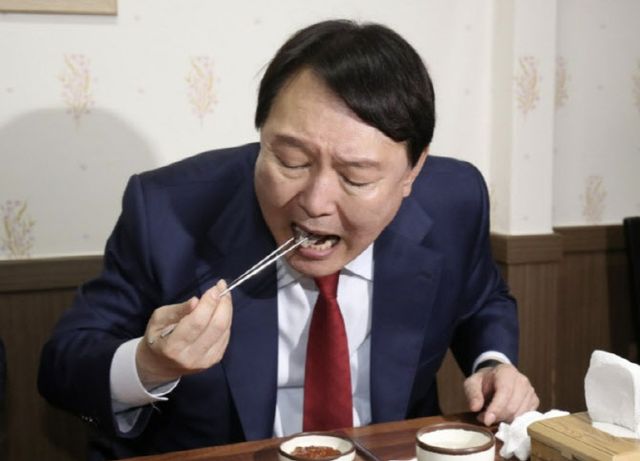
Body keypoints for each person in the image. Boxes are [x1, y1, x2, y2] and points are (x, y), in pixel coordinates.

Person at [38, 19, 539, 459]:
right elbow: (63, 365)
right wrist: (150, 363)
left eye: (356, 177)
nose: (315, 202)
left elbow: (481, 299)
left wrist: (492, 362)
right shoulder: (168, 208)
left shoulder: (454, 200)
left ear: (412, 172)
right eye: (291, 161)